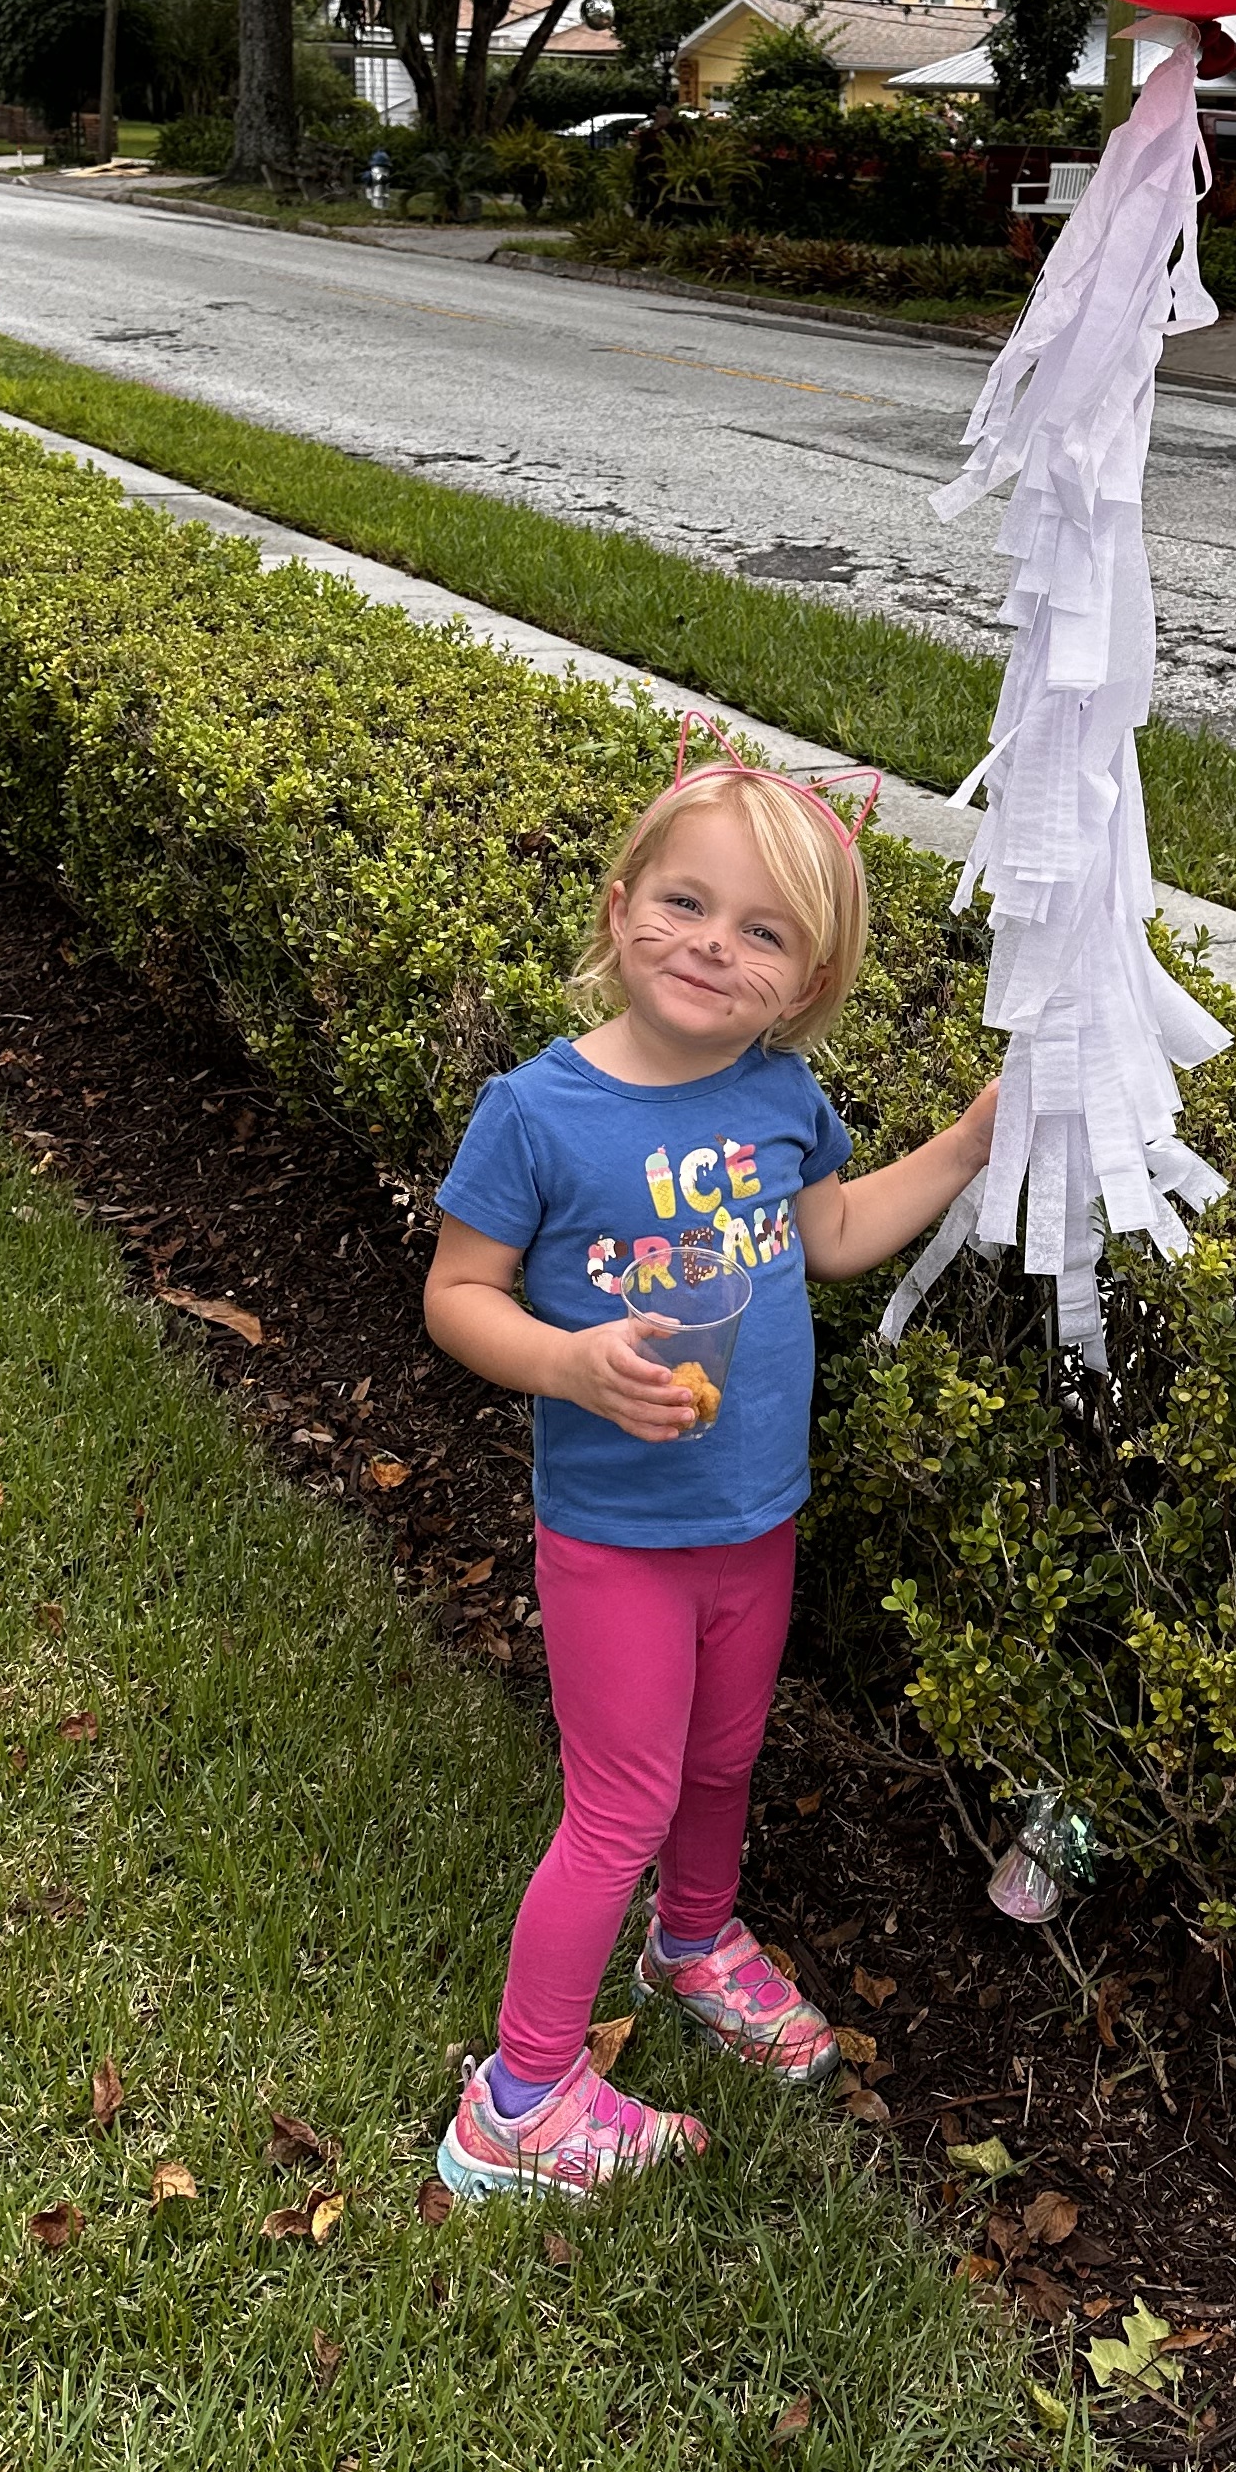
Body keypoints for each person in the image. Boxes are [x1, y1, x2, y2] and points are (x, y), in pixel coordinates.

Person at [424, 747, 998, 2202]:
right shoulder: (538, 1113)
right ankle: (522, 2102)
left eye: (762, 933)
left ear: (803, 983)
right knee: (617, 1802)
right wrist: (564, 1362)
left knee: (724, 1760)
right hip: (616, 1532)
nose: (711, 946)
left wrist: (978, 1139)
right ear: (620, 910)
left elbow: (838, 1233)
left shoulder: (781, 1098)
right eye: (685, 902)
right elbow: (458, 1294)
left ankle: (697, 1941)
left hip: (755, 1516)